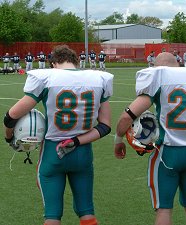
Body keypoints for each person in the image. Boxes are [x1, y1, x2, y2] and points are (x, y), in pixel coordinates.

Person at [3, 45, 114, 225]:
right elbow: (105, 126)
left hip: (53, 153)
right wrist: (76, 141)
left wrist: (9, 138)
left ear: (53, 63)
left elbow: (11, 116)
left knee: (52, 215)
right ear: (76, 61)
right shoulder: (98, 78)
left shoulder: (47, 77)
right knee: (87, 212)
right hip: (83, 152)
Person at [114, 52, 186, 225]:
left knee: (164, 209)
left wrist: (118, 140)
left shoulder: (160, 77)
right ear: (177, 63)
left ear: (157, 67)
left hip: (167, 153)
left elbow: (127, 117)